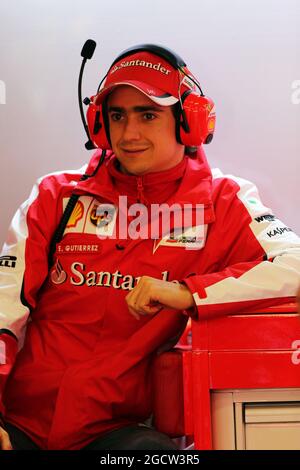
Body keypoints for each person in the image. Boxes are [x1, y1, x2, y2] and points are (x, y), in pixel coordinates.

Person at [0, 43, 300, 451]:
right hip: (19, 421)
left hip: (119, 432)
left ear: (188, 121)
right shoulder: (57, 194)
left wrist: (187, 291)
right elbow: (5, 307)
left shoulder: (224, 201)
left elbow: (294, 266)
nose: (129, 134)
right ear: (99, 124)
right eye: (117, 116)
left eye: (147, 114)